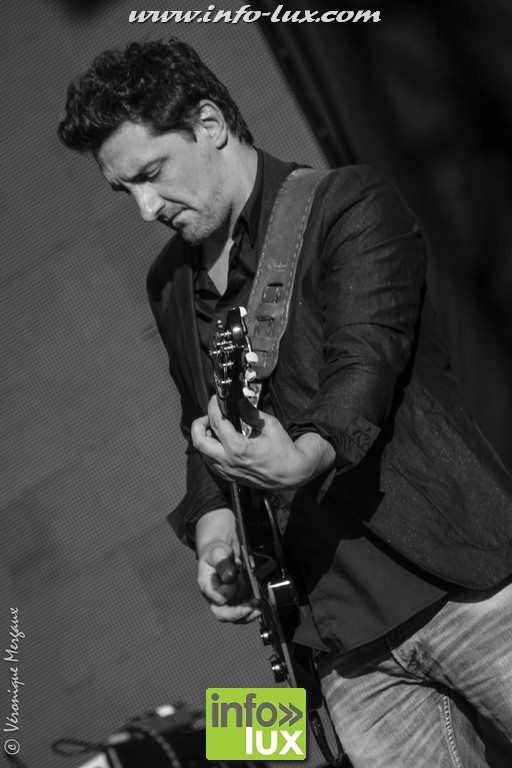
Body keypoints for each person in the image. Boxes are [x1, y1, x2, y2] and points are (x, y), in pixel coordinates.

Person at [57, 38, 512, 767]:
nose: (144, 209)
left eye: (150, 174)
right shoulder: (168, 284)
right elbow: (202, 425)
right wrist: (215, 533)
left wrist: (307, 455)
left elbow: (365, 358)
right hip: (344, 649)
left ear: (209, 125)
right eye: (124, 191)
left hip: (468, 585)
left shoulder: (346, 202)